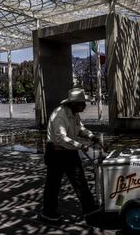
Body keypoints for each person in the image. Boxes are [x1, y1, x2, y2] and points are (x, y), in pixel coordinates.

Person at [41, 88, 100, 222]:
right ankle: (48, 212)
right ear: (74, 104)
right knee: (53, 185)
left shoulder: (74, 113)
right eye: (82, 103)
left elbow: (80, 128)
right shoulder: (59, 115)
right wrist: (80, 146)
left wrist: (91, 136)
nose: (85, 105)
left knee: (80, 180)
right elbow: (60, 139)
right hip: (56, 153)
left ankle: (89, 208)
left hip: (69, 151)